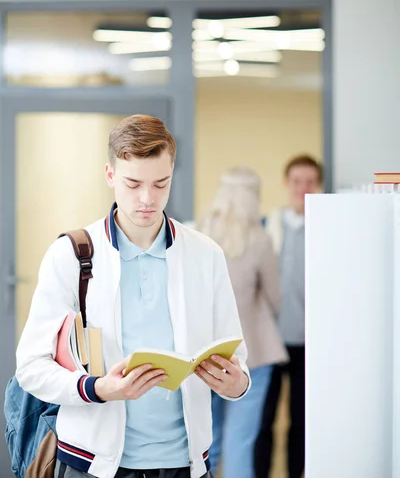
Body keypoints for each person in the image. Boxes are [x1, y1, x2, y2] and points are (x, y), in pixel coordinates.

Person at [16, 114, 250, 478]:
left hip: (186, 466)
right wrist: (98, 389)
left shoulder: (206, 255)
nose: (147, 198)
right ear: (110, 175)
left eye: (161, 183)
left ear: (173, 171)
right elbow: (31, 368)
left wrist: (237, 384)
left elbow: (239, 362)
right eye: (133, 183)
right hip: (91, 465)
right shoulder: (72, 255)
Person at [198, 167, 287, 478]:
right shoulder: (260, 240)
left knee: (207, 441)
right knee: (241, 441)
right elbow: (276, 298)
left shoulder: (198, 235)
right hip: (254, 352)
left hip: (205, 352)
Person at [254, 154, 323, 478]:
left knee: (302, 420)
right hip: (270, 343)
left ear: (318, 185)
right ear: (286, 184)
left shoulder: (328, 228)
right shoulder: (269, 226)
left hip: (309, 343)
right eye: (297, 181)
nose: (303, 188)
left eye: (309, 181)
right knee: (263, 420)